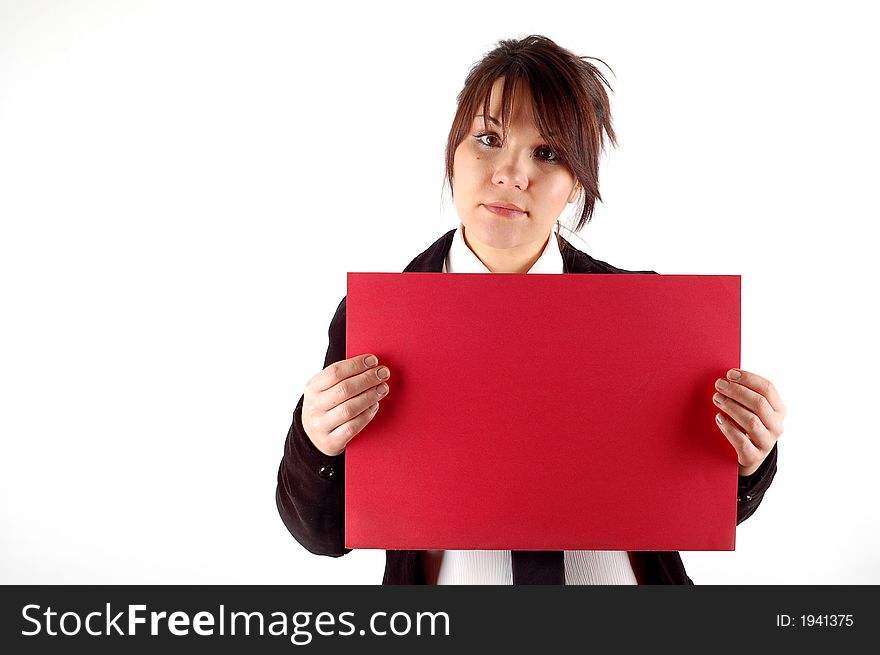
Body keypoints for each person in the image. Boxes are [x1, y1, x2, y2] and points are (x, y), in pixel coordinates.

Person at [275, 35, 786, 584]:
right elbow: (320, 534)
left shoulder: (644, 314)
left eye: (547, 153)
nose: (512, 174)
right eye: (488, 138)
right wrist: (316, 439)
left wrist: (749, 458)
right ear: (454, 150)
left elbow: (703, 510)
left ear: (575, 186)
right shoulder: (376, 319)